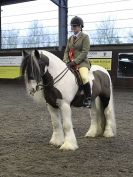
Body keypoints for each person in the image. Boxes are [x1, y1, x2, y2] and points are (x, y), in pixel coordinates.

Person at [63, 16, 92, 108]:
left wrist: (75, 62)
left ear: (80, 27)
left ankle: (88, 98)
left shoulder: (85, 37)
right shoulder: (70, 38)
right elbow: (66, 51)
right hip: (70, 62)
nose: (73, 28)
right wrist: (66, 61)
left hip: (82, 63)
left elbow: (84, 52)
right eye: (72, 26)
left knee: (84, 77)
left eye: (75, 26)